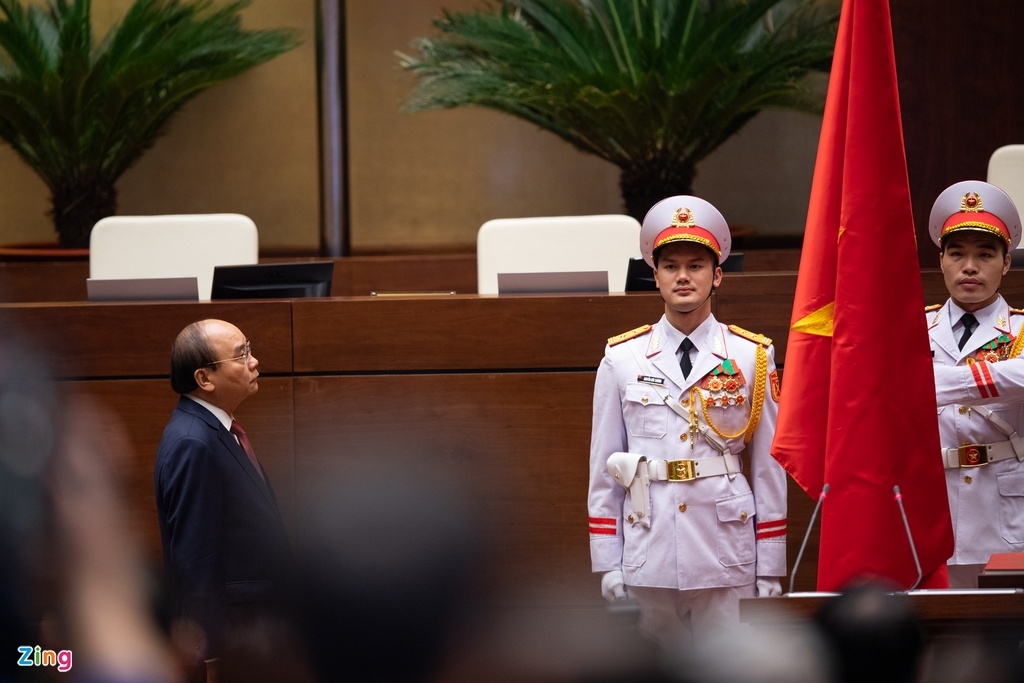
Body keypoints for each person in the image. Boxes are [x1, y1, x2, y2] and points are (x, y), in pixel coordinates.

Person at [587, 195, 788, 647]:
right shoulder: (622, 358)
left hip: (726, 546)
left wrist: (771, 562)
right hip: (649, 542)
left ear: (717, 275)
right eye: (671, 265)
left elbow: (769, 466)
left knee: (732, 670)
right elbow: (604, 466)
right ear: (653, 276)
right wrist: (608, 561)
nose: (683, 276)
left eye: (696, 265)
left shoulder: (752, 355)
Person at [155, 319, 290, 667]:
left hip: (255, 630)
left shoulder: (215, 429)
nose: (254, 361)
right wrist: (210, 654)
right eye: (241, 354)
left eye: (249, 348)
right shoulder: (192, 442)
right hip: (230, 640)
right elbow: (194, 559)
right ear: (204, 379)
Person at [927, 180, 1024, 589]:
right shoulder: (908, 331)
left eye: (985, 255)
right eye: (958, 254)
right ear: (942, 261)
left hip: (1003, 510)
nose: (970, 266)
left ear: (1005, 263)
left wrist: (928, 382)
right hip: (932, 507)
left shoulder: (1020, 329)